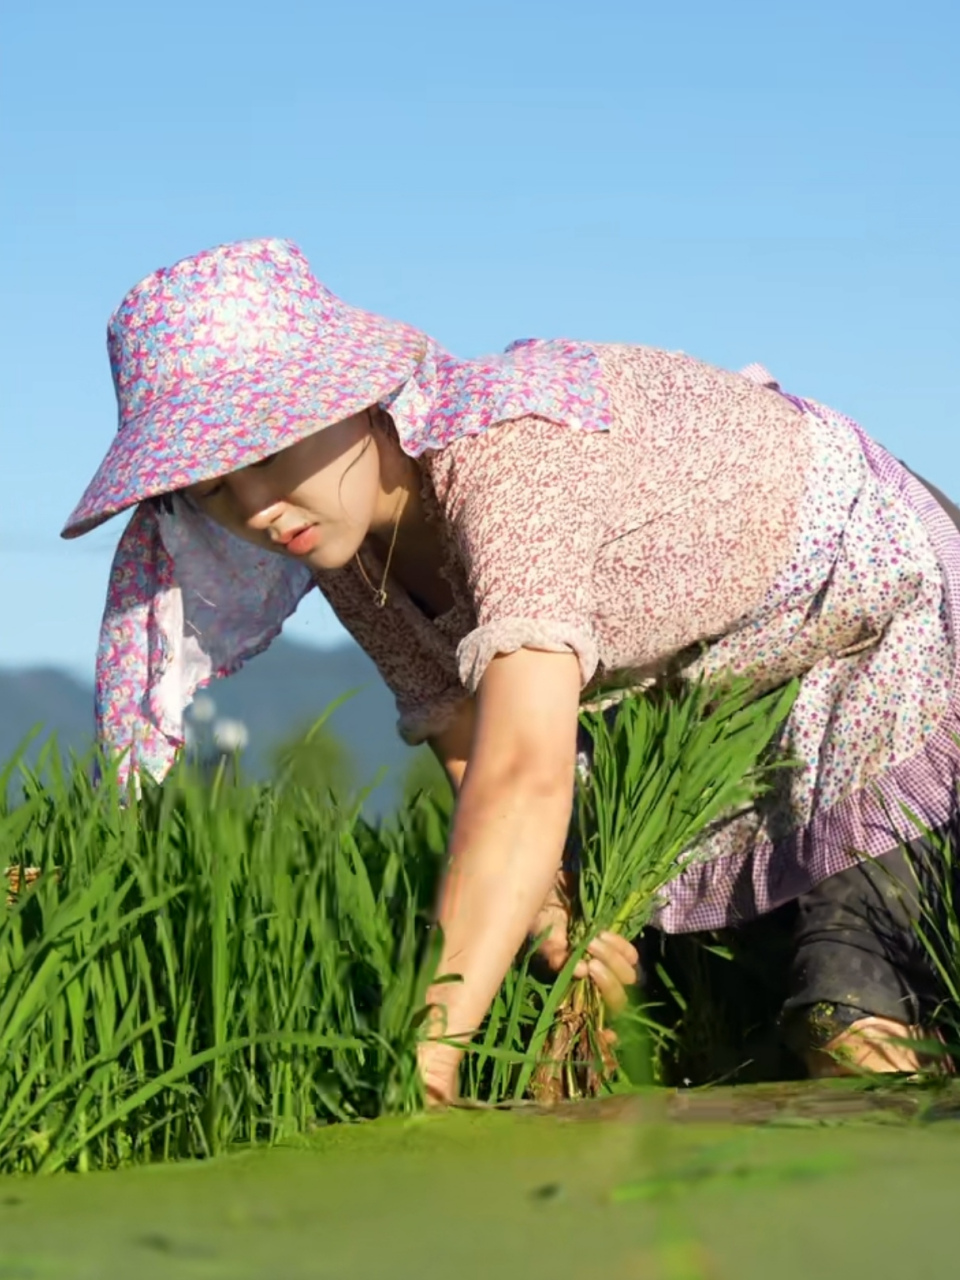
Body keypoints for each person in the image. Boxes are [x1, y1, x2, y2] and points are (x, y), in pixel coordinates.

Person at [64, 237, 960, 1101]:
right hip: (734, 695)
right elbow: (468, 740)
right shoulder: (350, 557)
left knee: (850, 1028)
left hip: (880, 618)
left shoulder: (506, 461)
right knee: (724, 1030)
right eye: (214, 488)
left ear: (355, 401)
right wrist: (557, 916)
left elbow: (527, 776)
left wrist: (427, 1054)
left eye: (267, 453)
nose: (258, 509)